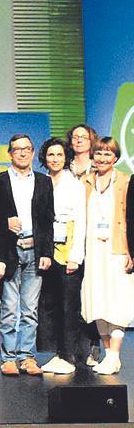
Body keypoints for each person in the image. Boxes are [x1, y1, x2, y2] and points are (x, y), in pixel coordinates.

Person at [0, 133, 54, 376]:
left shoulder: (43, 181)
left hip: (35, 250)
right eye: (17, 149)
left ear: (32, 151)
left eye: (27, 149)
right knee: (8, 308)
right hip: (9, 251)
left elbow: (48, 219)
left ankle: (27, 357)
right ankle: (8, 358)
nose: (22, 153)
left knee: (30, 309)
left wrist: (46, 251)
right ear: (9, 154)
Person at [80, 137, 134, 375]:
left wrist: (131, 251)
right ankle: (107, 353)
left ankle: (114, 355)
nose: (102, 158)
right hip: (92, 249)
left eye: (108, 154)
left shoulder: (125, 181)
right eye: (99, 153)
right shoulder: (86, 181)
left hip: (117, 248)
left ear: (115, 158)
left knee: (117, 301)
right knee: (97, 301)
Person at [35, 138, 87, 375]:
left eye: (59, 155)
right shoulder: (43, 181)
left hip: (69, 247)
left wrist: (76, 255)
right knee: (51, 303)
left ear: (66, 157)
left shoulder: (74, 184)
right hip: (48, 248)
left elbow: (81, 219)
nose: (54, 159)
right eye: (50, 155)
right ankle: (57, 353)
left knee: (69, 305)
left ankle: (69, 355)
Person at [65, 123, 102, 365]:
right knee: (71, 296)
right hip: (68, 239)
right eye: (75, 137)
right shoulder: (63, 167)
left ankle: (94, 344)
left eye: (83, 137)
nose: (79, 140)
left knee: (93, 293)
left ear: (92, 141)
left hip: (95, 239)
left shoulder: (99, 168)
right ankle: (74, 347)